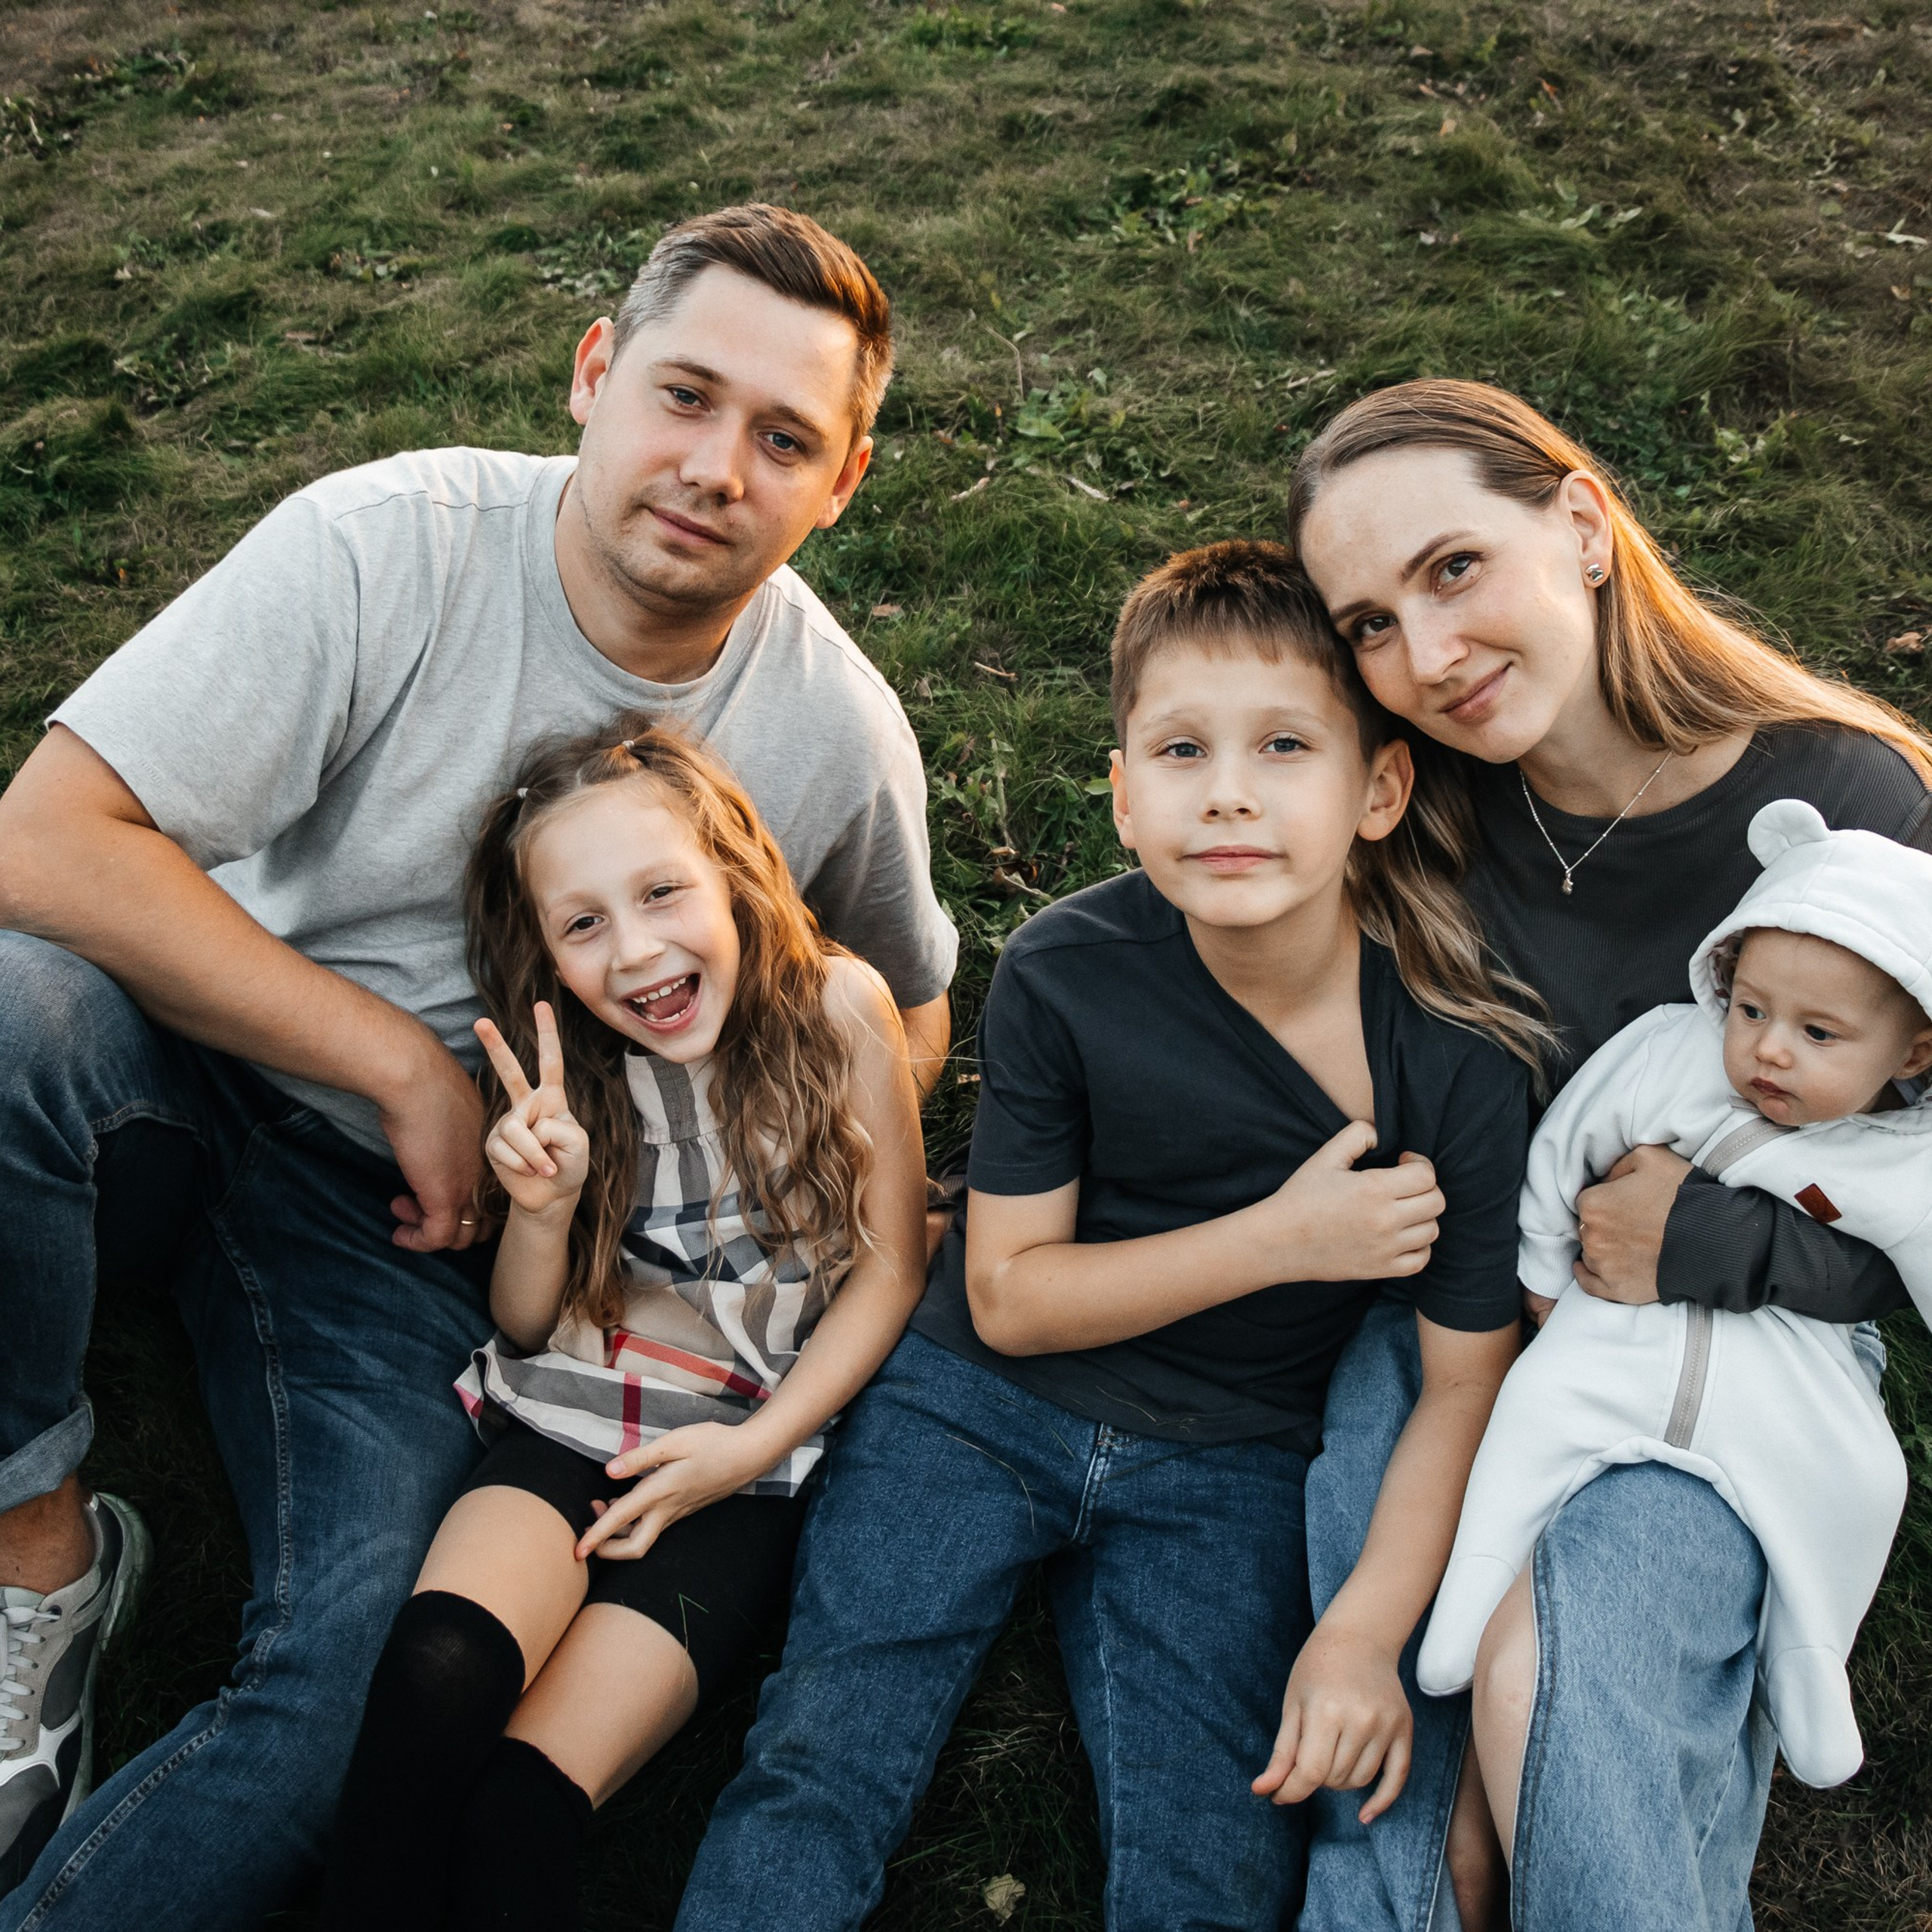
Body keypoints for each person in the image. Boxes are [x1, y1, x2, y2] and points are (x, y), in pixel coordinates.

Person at [0, 204, 956, 1930]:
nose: (714, 465)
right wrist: (395, 1059)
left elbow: (897, 1011)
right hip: (189, 1052)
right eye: (681, 394)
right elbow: (41, 841)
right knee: (7, 1008)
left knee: (352, 1701)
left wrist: (750, 1235)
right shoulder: (389, 545)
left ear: (843, 482)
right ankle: (37, 1550)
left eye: (783, 438)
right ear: (593, 373)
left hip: (440, 1240)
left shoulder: (830, 727)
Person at [670, 540, 1537, 1932]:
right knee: (822, 1754)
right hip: (971, 1402)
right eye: (1182, 750)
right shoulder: (1068, 970)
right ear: (1124, 794)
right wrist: (1283, 1239)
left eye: (1286, 747)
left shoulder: (1456, 1060)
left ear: (1380, 790)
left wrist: (1362, 1631)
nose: (1231, 792)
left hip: (1233, 1460)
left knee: (1211, 1844)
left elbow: (1462, 1381)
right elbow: (1008, 1297)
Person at [1285, 377, 1932, 1932]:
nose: (1423, 656)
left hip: (1732, 1339)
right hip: (1462, 1316)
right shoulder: (1414, 808)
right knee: (1416, 1817)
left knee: (1548, 1675)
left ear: (1579, 526)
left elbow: (1913, 1192)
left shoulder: (1841, 804)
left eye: (1451, 569)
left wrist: (1706, 1242)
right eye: (1368, 622)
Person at [319, 721, 927, 1928]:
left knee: (515, 1813)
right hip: (567, 1417)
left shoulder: (842, 1010)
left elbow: (894, 1270)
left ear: (736, 874)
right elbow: (529, 1323)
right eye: (584, 923)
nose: (638, 950)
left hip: (742, 1466)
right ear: (543, 949)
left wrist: (755, 1450)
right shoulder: (563, 1069)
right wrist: (536, 1212)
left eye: (663, 893)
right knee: (437, 1679)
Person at [1422, 798, 1932, 1793]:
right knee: (1530, 1418)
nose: (1769, 1050)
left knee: (1864, 1482)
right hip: (1615, 1328)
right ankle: (1464, 1603)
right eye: (1751, 1010)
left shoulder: (1902, 1160)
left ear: (1911, 1053)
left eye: (1819, 1033)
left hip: (1789, 1368)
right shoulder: (1674, 1053)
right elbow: (1568, 1142)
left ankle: (1811, 1657)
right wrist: (1538, 1277)